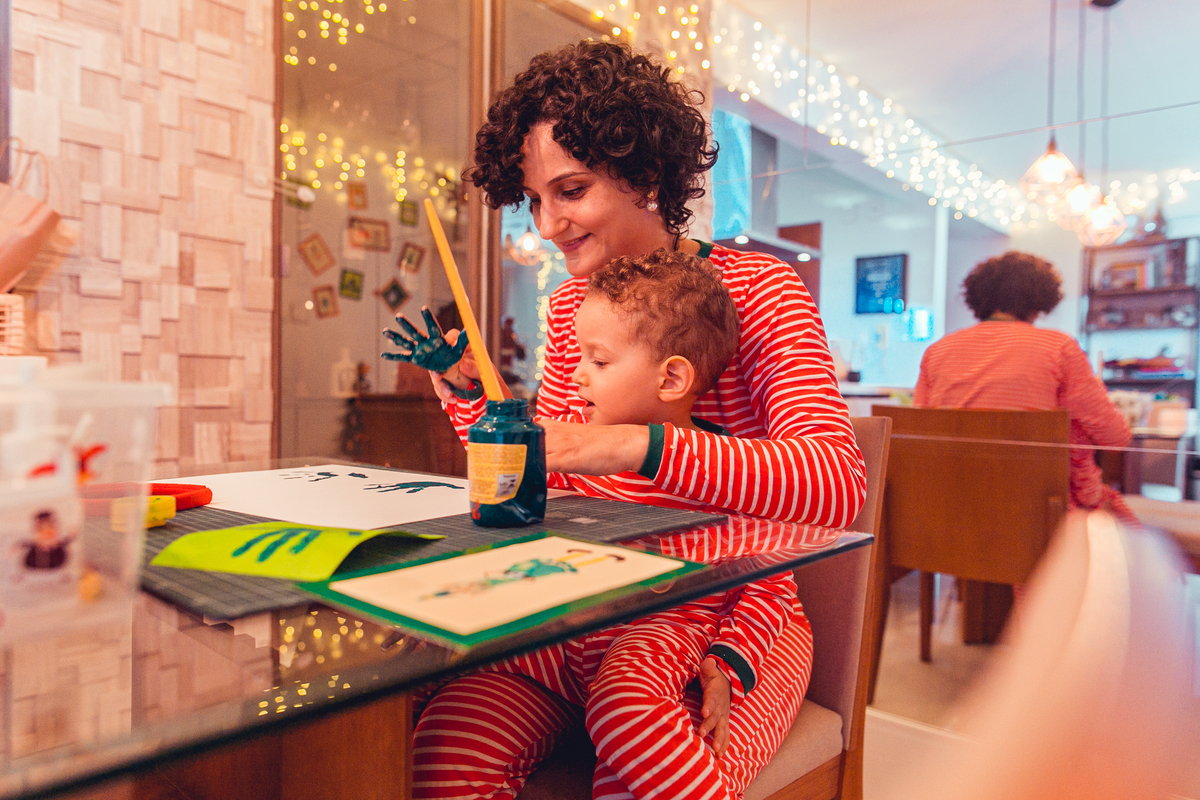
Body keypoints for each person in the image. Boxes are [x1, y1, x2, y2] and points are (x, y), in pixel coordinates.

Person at [383, 40, 865, 800]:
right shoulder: (569, 308)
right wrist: (472, 401)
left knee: (640, 752)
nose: (547, 224)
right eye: (533, 199)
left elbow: (835, 485)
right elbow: (548, 478)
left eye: (570, 191)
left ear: (645, 174)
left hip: (724, 622)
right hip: (584, 617)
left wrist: (629, 445)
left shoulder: (760, 289)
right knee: (441, 746)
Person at [409, 250, 806, 800]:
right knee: (443, 732)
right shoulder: (579, 449)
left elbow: (771, 584)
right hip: (562, 653)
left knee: (626, 714)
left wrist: (728, 662)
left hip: (657, 651)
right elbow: (516, 465)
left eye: (598, 361)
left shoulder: (726, 470)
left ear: (672, 377)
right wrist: (471, 393)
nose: (576, 376)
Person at [914, 250, 1134, 521]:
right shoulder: (1059, 348)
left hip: (950, 510)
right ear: (1041, 299)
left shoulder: (937, 351)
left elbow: (916, 432)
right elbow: (1115, 437)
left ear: (977, 298)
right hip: (1040, 516)